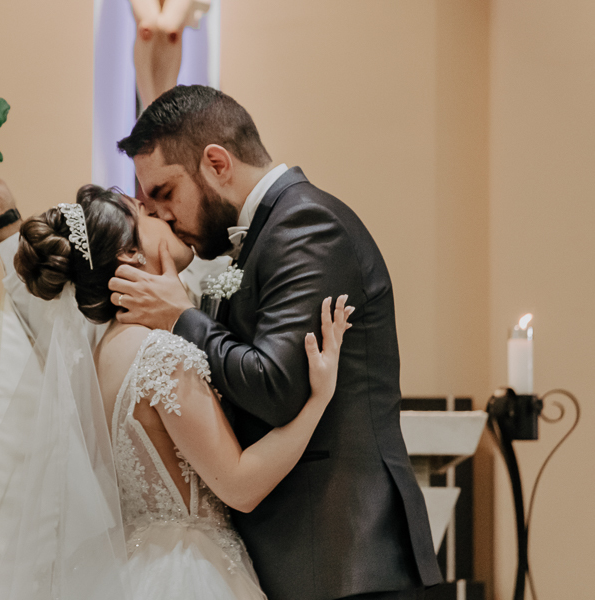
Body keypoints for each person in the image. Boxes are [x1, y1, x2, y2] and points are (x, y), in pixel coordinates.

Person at [107, 84, 444, 600]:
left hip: (344, 559)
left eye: (167, 193)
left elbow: (277, 385)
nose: (165, 215)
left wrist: (183, 318)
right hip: (305, 561)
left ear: (216, 163)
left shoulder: (306, 224)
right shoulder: (259, 237)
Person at [0, 179, 352, 600]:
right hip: (189, 574)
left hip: (136, 566)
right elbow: (240, 487)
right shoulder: (158, 352)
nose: (163, 216)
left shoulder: (104, 349)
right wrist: (318, 399)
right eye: (149, 215)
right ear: (129, 254)